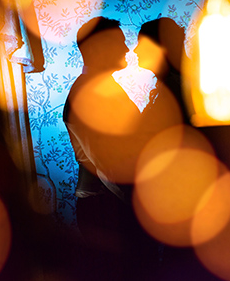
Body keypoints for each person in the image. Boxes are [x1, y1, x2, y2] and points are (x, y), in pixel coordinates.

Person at [63, 17, 161, 278]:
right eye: (119, 43)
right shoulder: (89, 95)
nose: (128, 50)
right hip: (107, 209)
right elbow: (109, 165)